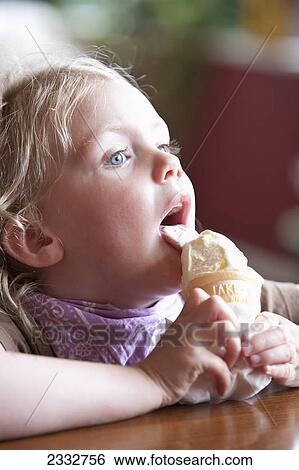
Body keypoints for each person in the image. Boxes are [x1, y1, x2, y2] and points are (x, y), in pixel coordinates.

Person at [0, 53, 298, 440]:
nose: (168, 163)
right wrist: (152, 380)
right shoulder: (21, 325)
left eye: (164, 143)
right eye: (118, 156)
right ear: (37, 237)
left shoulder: (226, 299)